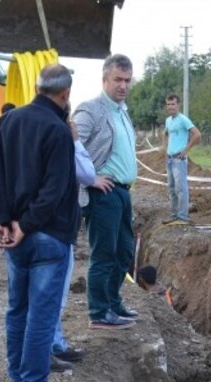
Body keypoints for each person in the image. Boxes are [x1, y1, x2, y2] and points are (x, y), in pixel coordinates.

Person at [0, 64, 80, 382]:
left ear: (38, 87)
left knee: (18, 308)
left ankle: (17, 378)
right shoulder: (58, 131)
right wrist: (24, 226)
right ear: (65, 94)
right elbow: (54, 192)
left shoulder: (8, 122)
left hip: (14, 236)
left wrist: (0, 220)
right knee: (42, 313)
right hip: (46, 237)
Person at [74, 54, 139, 330]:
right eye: (117, 80)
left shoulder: (122, 111)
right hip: (104, 194)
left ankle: (113, 303)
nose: (123, 86)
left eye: (127, 80)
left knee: (124, 251)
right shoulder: (91, 110)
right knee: (104, 253)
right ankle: (99, 311)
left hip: (122, 192)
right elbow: (69, 145)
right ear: (104, 80)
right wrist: (90, 178)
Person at [49, 120, 101, 365]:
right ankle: (48, 349)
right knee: (53, 294)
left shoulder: (15, 128)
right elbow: (87, 174)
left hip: (29, 228)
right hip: (55, 228)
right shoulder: (60, 138)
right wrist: (76, 140)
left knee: (31, 298)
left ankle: (54, 344)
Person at [162, 94, 201, 225]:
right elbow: (165, 134)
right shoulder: (168, 121)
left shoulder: (183, 119)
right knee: (171, 188)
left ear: (178, 105)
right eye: (168, 104)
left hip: (179, 159)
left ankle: (183, 217)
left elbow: (197, 134)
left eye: (173, 104)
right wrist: (165, 149)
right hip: (170, 159)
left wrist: (185, 150)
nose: (170, 107)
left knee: (180, 188)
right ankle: (174, 215)